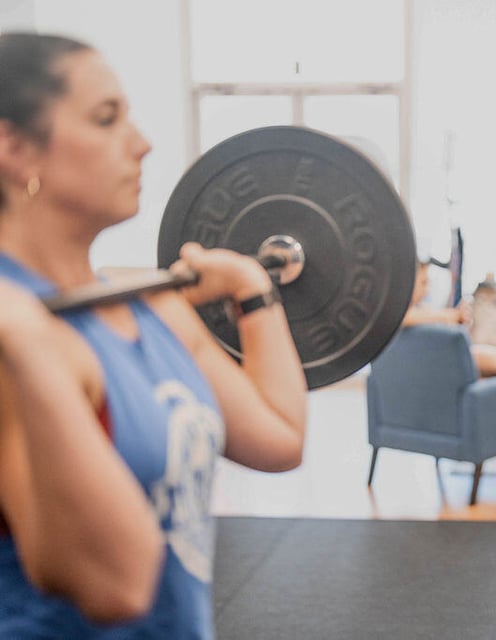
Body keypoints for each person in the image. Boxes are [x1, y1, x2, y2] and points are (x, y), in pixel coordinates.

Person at [0, 32, 308, 638]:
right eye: (106, 119)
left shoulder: (146, 306)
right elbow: (116, 586)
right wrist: (28, 348)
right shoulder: (18, 336)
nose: (142, 143)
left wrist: (253, 287)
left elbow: (279, 439)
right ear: (15, 150)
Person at [402, 260, 496, 377]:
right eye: (423, 282)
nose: (427, 289)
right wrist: (449, 315)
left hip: (443, 355)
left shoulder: (424, 309)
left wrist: (458, 321)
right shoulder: (398, 316)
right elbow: (405, 318)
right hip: (438, 357)